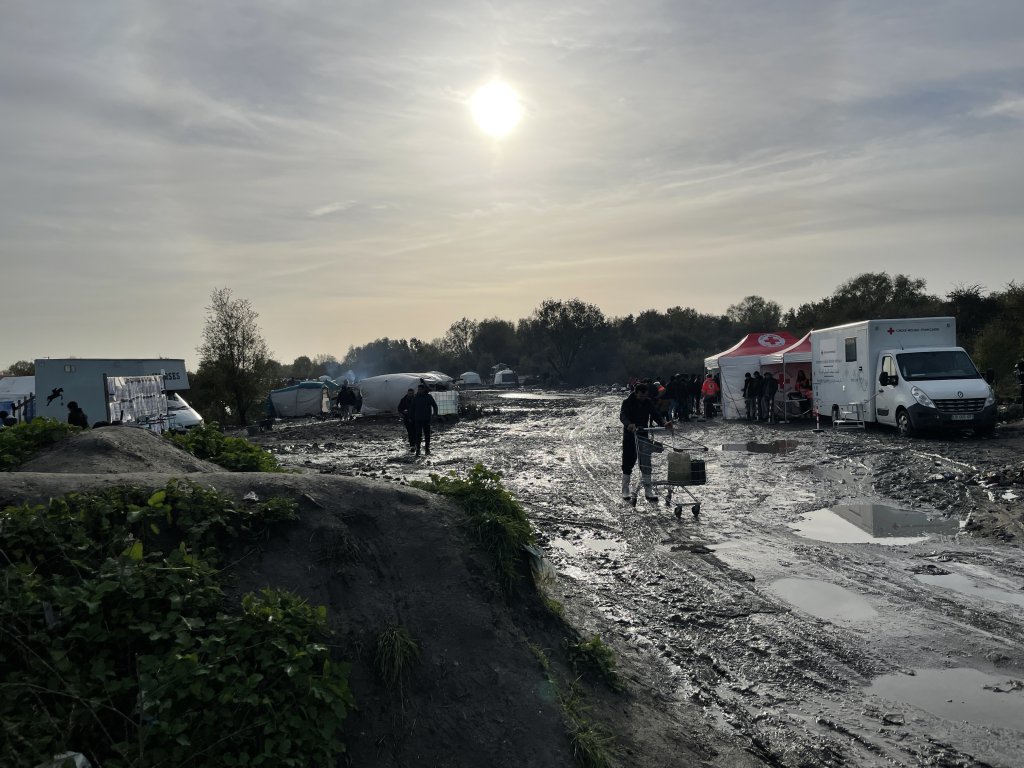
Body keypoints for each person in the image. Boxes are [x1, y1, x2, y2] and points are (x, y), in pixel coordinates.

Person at [619, 382, 673, 501]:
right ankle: (625, 489)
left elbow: (655, 414)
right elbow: (623, 416)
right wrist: (629, 425)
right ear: (636, 393)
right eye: (641, 396)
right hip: (630, 436)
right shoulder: (627, 402)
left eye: (645, 396)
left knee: (646, 463)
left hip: (643, 435)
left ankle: (648, 490)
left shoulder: (648, 402)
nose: (644, 398)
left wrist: (664, 423)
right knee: (628, 461)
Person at [409, 383, 439, 457]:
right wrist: (410, 417)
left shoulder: (428, 397)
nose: (419, 391)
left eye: (421, 389)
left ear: (424, 389)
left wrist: (435, 414)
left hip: (426, 419)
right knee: (418, 435)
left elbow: (435, 406)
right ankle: (418, 450)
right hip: (418, 419)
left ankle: (427, 449)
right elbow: (412, 408)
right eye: (418, 389)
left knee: (427, 435)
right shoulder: (416, 397)